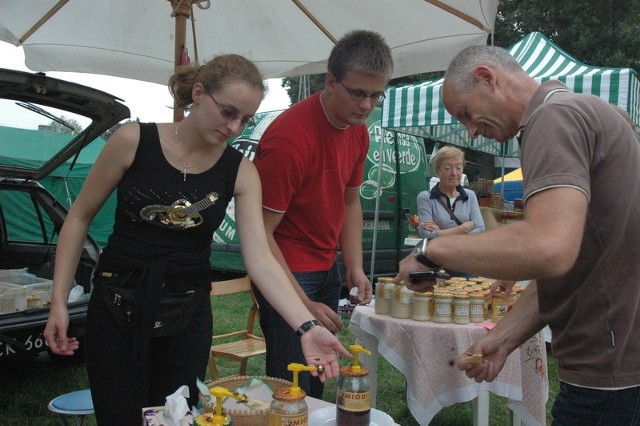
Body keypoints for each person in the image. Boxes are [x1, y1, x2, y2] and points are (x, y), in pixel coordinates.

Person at [43, 54, 350, 424]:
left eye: (245, 119)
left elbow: (261, 258)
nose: (234, 127)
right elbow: (78, 218)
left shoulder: (241, 171)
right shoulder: (133, 141)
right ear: (200, 94)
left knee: (177, 416)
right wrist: (58, 300)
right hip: (117, 306)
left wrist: (307, 326)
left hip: (187, 314)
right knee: (120, 417)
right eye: (228, 112)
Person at [396, 45, 640, 424]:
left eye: (466, 114)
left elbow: (548, 248)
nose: (471, 131)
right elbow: (570, 266)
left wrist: (432, 249)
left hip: (607, 370)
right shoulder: (575, 112)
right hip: (616, 366)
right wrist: (503, 338)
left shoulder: (554, 118)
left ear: (487, 78)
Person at [252, 29, 393, 398]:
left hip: (325, 266)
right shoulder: (289, 138)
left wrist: (354, 265)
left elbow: (350, 201)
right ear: (331, 80)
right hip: (286, 268)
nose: (366, 105)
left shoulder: (358, 132)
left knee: (318, 377)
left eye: (376, 95)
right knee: (293, 385)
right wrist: (302, 303)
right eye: (358, 93)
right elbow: (261, 235)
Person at [416, 145, 484, 277]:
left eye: (458, 167)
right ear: (437, 170)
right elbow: (425, 233)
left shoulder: (470, 196)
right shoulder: (426, 197)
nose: (454, 173)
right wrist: (462, 228)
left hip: (466, 263)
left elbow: (480, 229)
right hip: (438, 262)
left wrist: (440, 232)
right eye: (447, 168)